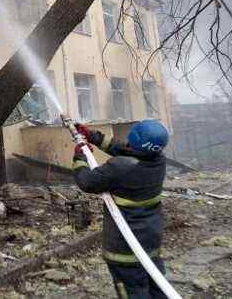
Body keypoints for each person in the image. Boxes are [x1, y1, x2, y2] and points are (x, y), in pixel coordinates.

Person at [72, 119, 169, 299]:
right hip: (150, 241)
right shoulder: (158, 160)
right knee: (157, 287)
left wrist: (79, 158)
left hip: (125, 248)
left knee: (133, 292)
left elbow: (87, 182)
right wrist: (92, 136)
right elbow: (125, 149)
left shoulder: (120, 168)